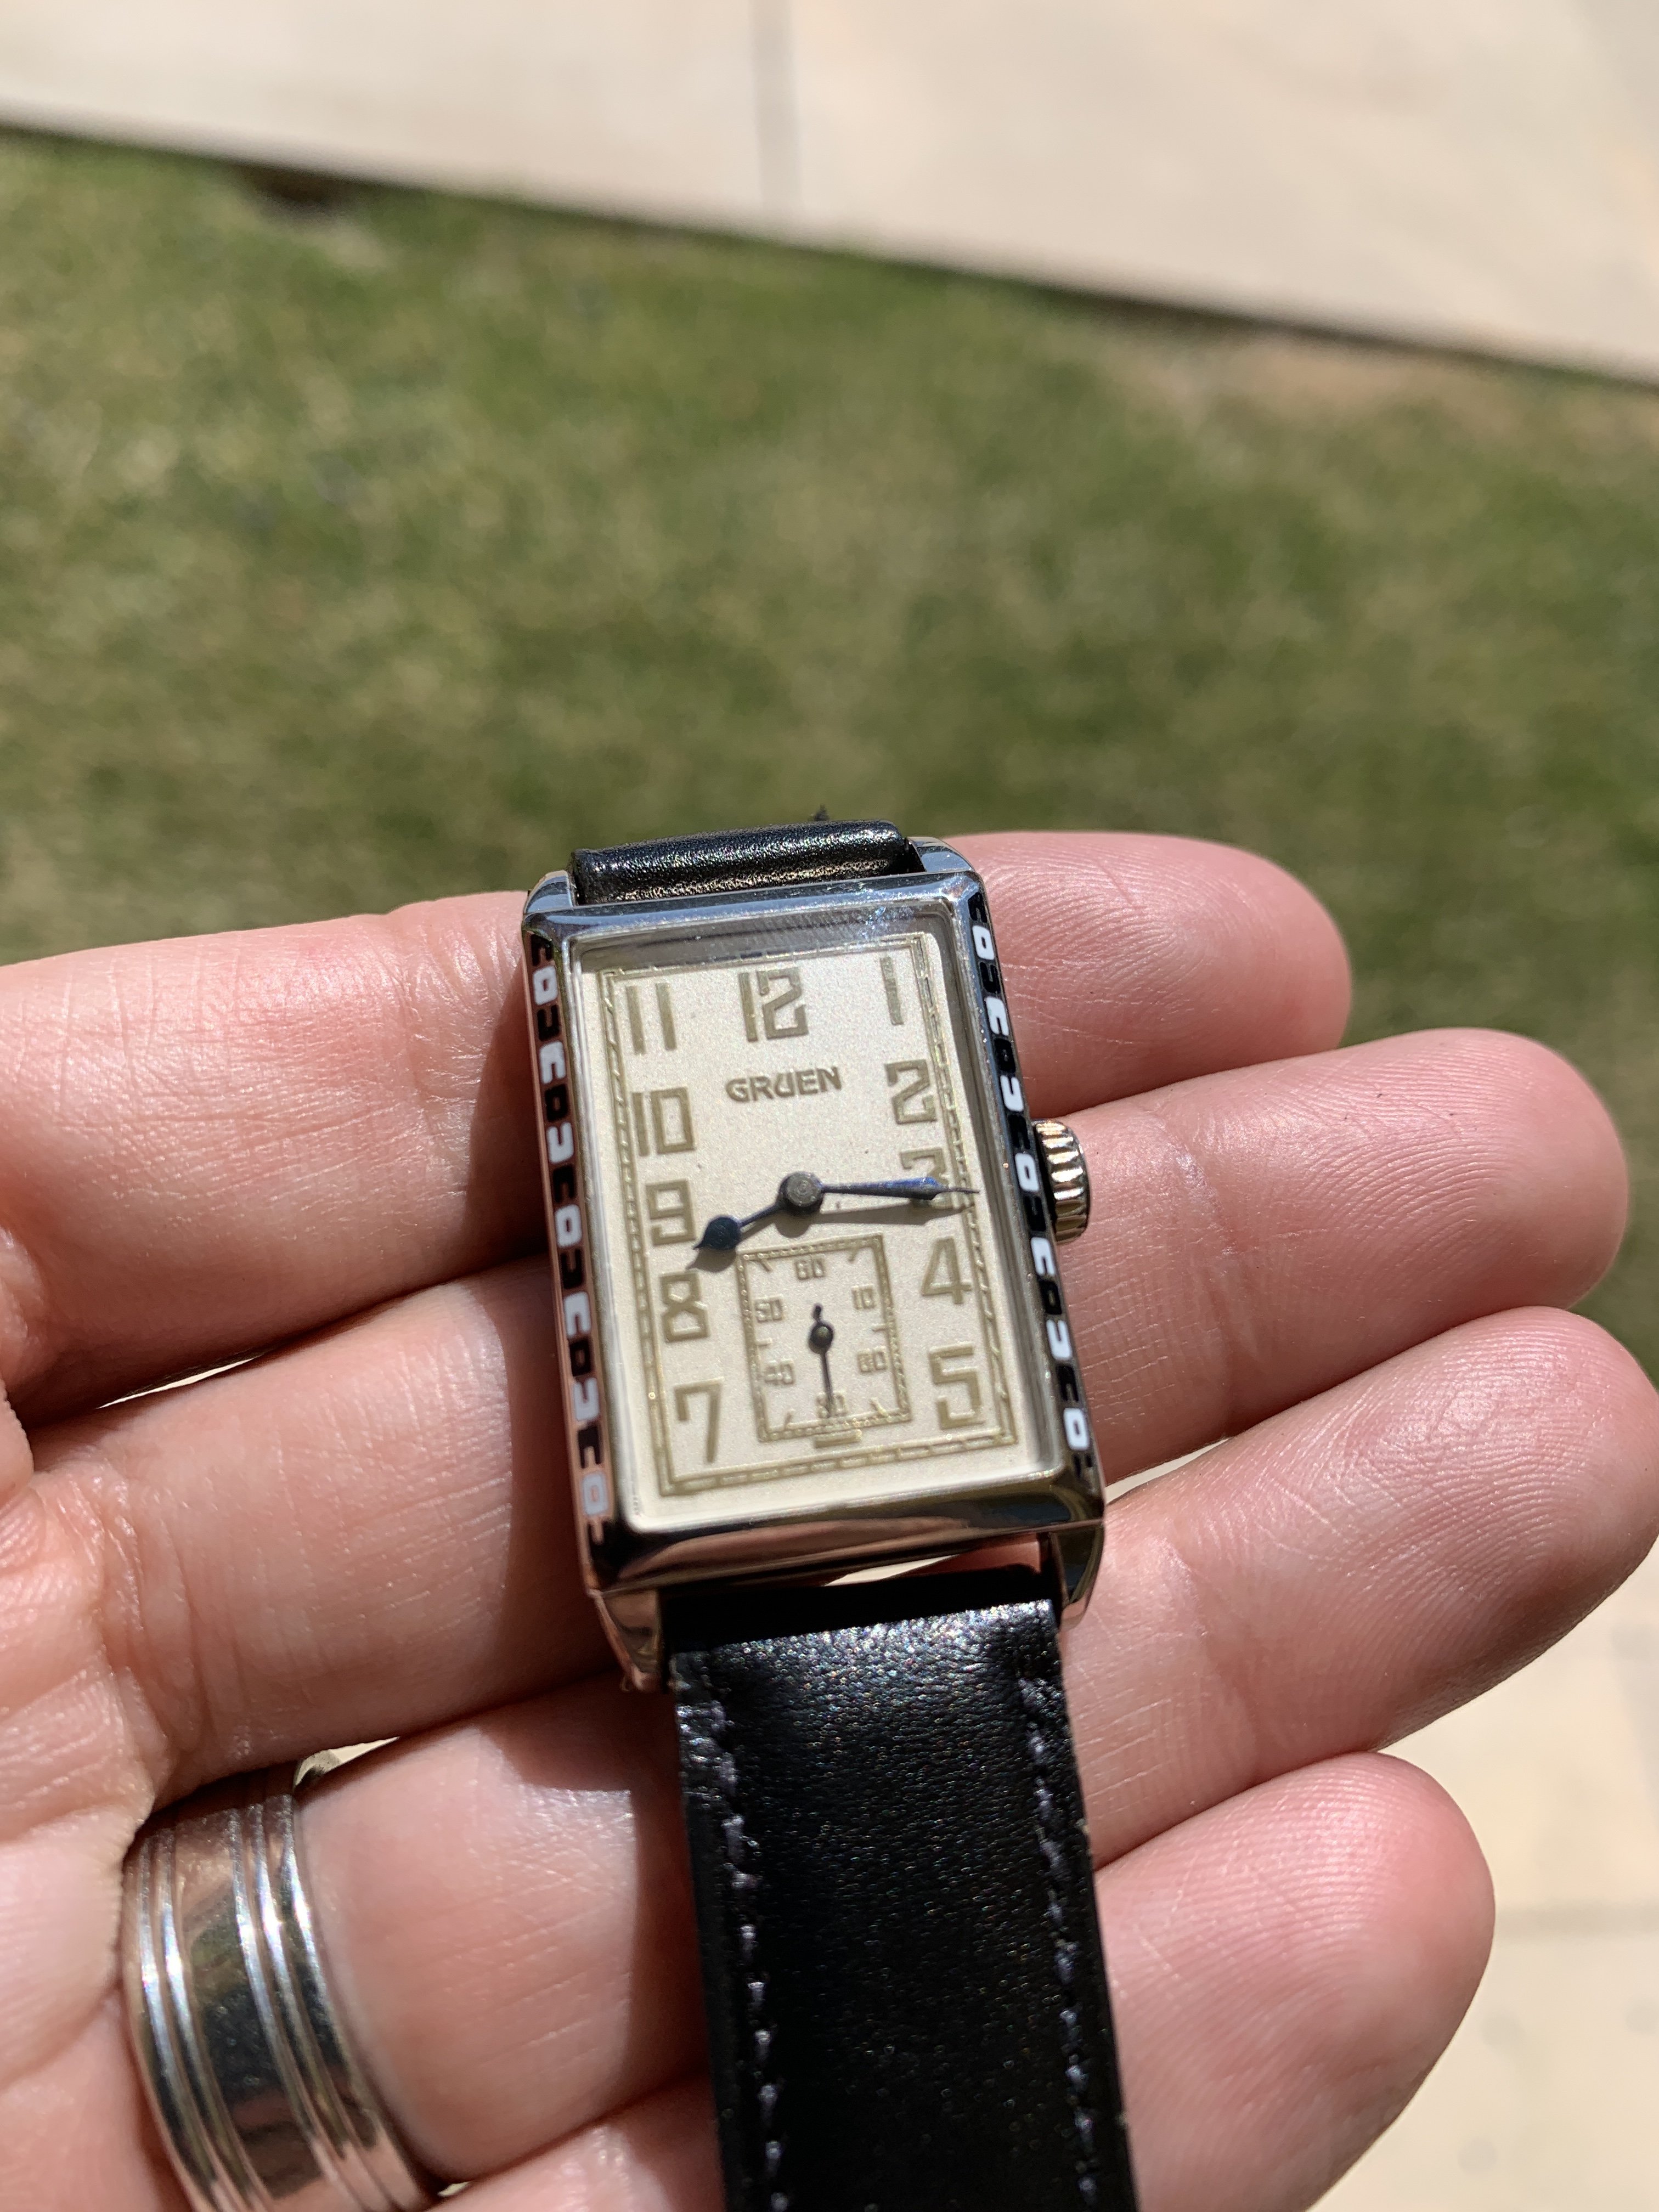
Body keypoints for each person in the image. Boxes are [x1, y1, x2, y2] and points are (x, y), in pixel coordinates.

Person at [0, 830, 1652, 2211]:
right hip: (768, 1559)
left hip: (898, 1530)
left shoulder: (886, 957)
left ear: (1034, 1173)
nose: (798, 1197)